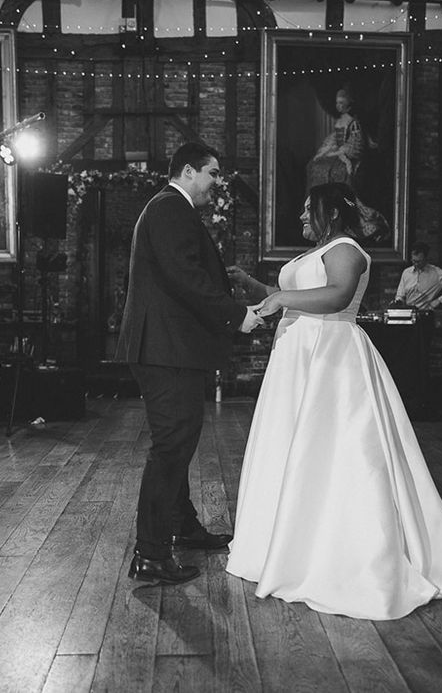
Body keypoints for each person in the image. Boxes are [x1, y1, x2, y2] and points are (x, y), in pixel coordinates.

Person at [225, 182, 442, 620]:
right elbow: (295, 299)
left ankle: (338, 549)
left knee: (332, 450)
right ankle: (280, 538)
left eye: (307, 209)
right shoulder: (315, 250)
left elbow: (335, 295)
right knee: (289, 447)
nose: (300, 217)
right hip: (297, 356)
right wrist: (255, 285)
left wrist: (279, 297)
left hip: (329, 355)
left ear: (331, 213)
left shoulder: (347, 248)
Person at [116, 142, 263, 586]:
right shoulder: (169, 208)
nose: (218, 183)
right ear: (188, 171)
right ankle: (151, 553)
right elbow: (185, 276)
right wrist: (237, 315)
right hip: (167, 348)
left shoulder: (168, 208)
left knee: (177, 440)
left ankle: (183, 528)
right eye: (213, 174)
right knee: (172, 445)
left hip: (169, 347)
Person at [306, 87, 389, 243]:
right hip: (339, 153)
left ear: (348, 104)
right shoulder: (339, 121)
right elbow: (333, 141)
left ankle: (344, 215)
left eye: (341, 102)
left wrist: (339, 152)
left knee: (338, 172)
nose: (338, 105)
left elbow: (356, 145)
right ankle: (320, 214)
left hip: (349, 158)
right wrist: (326, 152)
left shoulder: (353, 122)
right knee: (315, 166)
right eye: (337, 103)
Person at [392, 241, 442, 311]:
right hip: (408, 313)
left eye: (419, 261)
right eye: (414, 261)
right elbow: (400, 295)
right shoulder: (406, 273)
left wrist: (438, 301)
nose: (416, 264)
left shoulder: (437, 273)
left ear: (426, 259)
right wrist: (398, 302)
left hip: (425, 314)